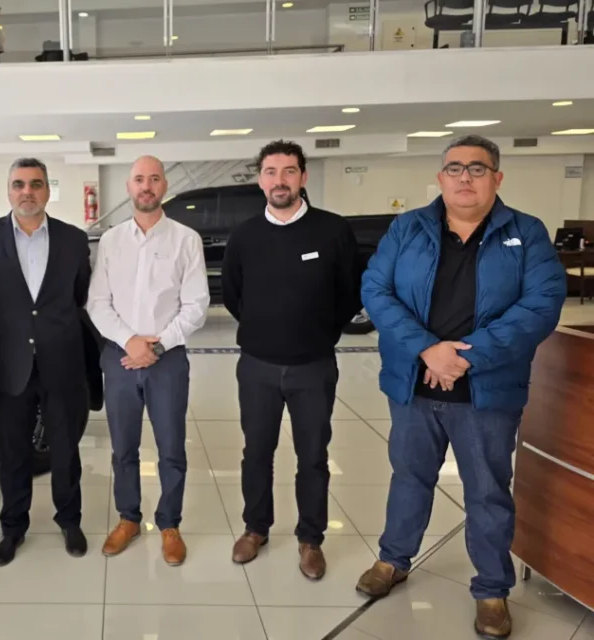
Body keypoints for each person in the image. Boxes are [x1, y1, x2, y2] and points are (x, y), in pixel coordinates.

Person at [355, 135, 566, 638]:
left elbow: (542, 304)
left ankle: (492, 589)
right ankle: (393, 559)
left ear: (497, 177)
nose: (465, 177)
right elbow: (376, 291)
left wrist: (465, 357)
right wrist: (428, 350)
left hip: (486, 392)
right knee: (409, 477)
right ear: (441, 177)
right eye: (455, 168)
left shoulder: (527, 233)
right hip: (414, 385)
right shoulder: (407, 228)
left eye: (477, 168)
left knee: (488, 491)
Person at [221, 140, 361, 579]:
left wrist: (317, 332)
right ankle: (255, 528)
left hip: (313, 367)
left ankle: (310, 539)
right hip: (257, 366)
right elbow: (233, 295)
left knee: (313, 456)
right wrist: (265, 328)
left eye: (288, 171)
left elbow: (349, 293)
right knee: (256, 452)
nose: (279, 180)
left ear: (302, 177)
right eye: (270, 172)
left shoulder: (333, 230)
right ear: (260, 179)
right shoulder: (244, 235)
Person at [0, 157, 93, 566]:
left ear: (47, 190)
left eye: (36, 184)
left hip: (62, 363)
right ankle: (13, 528)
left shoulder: (73, 239)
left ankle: (70, 520)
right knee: (12, 453)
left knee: (66, 450)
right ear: (8, 191)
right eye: (19, 184)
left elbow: (79, 296)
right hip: (7, 366)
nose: (27, 192)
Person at [87, 155, 210, 566]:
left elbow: (196, 306)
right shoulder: (111, 241)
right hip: (120, 357)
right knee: (123, 446)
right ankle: (129, 518)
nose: (146, 186)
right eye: (139, 179)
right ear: (129, 187)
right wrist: (130, 342)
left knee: (171, 446)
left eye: (154, 178)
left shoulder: (185, 240)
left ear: (164, 186)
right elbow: (97, 303)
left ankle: (170, 523)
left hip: (167, 359)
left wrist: (156, 347)